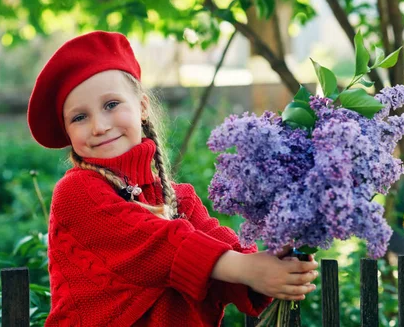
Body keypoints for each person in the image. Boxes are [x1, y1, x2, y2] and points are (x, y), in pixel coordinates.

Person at [27, 31, 319, 327]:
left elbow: (229, 262)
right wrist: (245, 268)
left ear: (141, 107)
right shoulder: (76, 193)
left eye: (111, 105)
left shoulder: (180, 201)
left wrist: (276, 263)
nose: (99, 126)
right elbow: (159, 244)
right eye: (79, 117)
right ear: (67, 132)